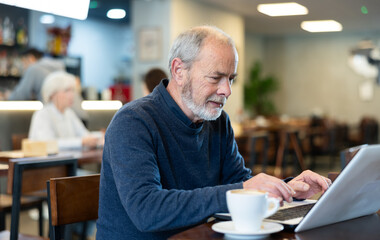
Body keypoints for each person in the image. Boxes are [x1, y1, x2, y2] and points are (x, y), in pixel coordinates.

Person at [96, 26, 331, 240]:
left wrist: (288, 189)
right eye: (215, 77)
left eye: (230, 79)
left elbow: (238, 183)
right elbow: (147, 211)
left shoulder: (217, 122)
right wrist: (242, 190)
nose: (227, 90)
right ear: (179, 71)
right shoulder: (133, 121)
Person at [28, 71, 102, 150]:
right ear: (52, 94)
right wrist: (81, 142)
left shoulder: (69, 113)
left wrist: (98, 137)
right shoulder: (42, 114)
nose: (72, 95)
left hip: (68, 161)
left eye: (73, 90)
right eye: (67, 90)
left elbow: (84, 134)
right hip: (47, 162)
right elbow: (48, 144)